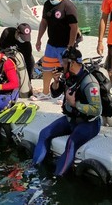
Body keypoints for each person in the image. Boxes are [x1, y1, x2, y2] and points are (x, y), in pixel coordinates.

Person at [32, 47, 102, 176]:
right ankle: (34, 169)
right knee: (44, 134)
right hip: (71, 119)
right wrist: (56, 82)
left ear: (73, 63)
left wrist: (75, 104)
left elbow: (97, 110)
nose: (61, 64)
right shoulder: (69, 76)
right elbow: (55, 94)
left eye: (64, 62)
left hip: (88, 124)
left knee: (71, 144)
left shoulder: (89, 82)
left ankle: (57, 177)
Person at [35, 0, 79, 99]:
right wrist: (39, 39)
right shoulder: (47, 4)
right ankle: (45, 92)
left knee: (66, 69)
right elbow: (44, 22)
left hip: (65, 44)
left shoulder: (68, 6)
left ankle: (66, 93)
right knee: (47, 68)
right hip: (51, 43)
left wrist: (70, 45)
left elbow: (74, 27)